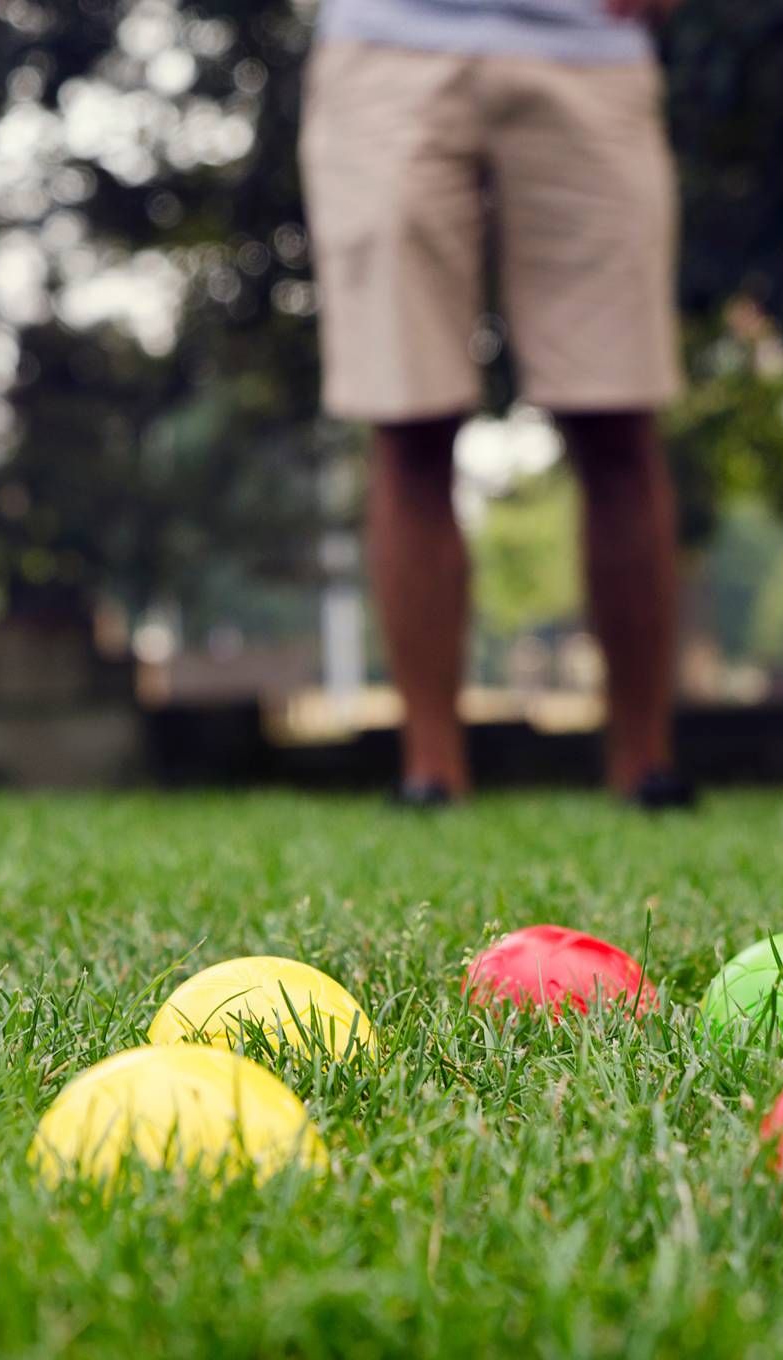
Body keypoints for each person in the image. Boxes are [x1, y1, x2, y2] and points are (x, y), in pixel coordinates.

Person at [299, 0, 694, 809]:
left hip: (591, 45)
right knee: (407, 417)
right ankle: (431, 774)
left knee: (618, 414)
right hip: (386, 45)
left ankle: (646, 769)